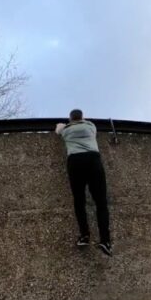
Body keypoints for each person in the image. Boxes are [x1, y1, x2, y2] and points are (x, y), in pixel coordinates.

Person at [56, 109, 112, 256]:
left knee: (79, 201)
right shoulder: (91, 126)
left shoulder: (65, 129)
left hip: (75, 161)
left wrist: (64, 124)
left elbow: (57, 130)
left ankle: (84, 235)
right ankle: (105, 241)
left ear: (70, 118)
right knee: (101, 202)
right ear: (82, 117)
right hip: (93, 160)